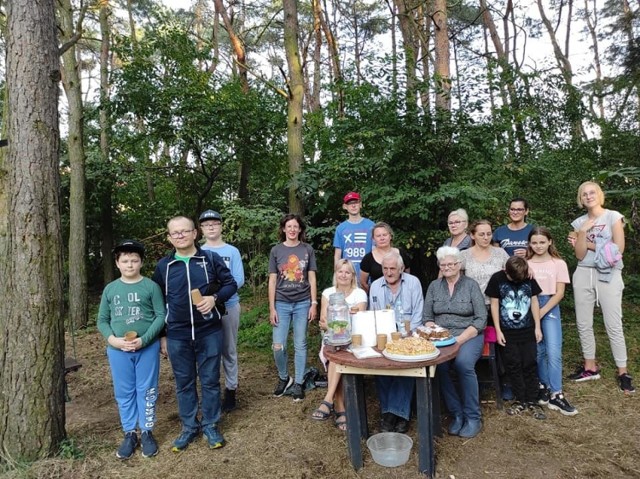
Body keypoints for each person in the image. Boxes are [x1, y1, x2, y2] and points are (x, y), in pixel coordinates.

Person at [152, 216, 238, 451]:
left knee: (210, 381)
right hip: (177, 334)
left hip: (209, 331)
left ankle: (210, 424)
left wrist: (214, 298)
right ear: (169, 238)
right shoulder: (163, 267)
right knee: (184, 383)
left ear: (194, 234)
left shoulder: (210, 258)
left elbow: (230, 284)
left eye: (184, 231)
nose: (180, 236)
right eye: (175, 233)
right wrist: (162, 336)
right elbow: (157, 305)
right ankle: (189, 426)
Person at [97, 240, 166, 460]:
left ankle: (146, 430)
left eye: (134, 260)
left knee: (146, 389)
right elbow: (102, 319)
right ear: (117, 263)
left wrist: (145, 340)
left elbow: (160, 315)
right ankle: (130, 433)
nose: (130, 265)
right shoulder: (111, 289)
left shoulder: (150, 287)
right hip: (118, 351)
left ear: (141, 262)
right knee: (124, 391)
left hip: (146, 348)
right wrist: (113, 340)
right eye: (125, 260)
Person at [567, 181, 634, 394]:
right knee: (583, 323)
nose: (588, 196)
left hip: (609, 273)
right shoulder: (579, 222)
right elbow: (579, 255)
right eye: (584, 194)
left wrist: (585, 240)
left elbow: (618, 249)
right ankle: (590, 367)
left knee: (613, 324)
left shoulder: (613, 216)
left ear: (599, 195)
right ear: (580, 199)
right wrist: (583, 232)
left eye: (592, 192)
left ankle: (623, 372)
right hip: (584, 273)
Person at [423, 246, 487, 438]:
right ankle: (456, 413)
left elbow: (481, 318)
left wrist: (460, 339)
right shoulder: (434, 286)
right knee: (439, 367)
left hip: (468, 334)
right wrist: (437, 333)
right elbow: (427, 317)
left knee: (463, 364)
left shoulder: (471, 285)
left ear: (459, 264)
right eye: (443, 264)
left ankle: (473, 417)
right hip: (442, 337)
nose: (447, 267)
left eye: (451, 263)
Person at [369, 251, 424, 433]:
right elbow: (373, 315)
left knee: (406, 367)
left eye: (393, 268)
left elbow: (418, 315)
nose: (389, 272)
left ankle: (394, 414)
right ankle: (394, 413)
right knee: (381, 366)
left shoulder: (413, 282)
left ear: (401, 269)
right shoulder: (376, 286)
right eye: (385, 268)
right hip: (384, 337)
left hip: (409, 336)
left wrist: (405, 337)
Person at [485, 256, 545, 419]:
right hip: (507, 331)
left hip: (528, 330)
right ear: (506, 271)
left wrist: (538, 327)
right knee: (513, 364)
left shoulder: (528, 276)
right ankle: (520, 399)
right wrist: (498, 330)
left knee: (530, 363)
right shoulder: (497, 278)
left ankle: (532, 400)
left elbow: (534, 302)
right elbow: (494, 304)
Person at [526, 227, 577, 415]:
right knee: (538, 350)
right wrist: (534, 313)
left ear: (549, 242)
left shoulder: (558, 263)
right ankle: (544, 386)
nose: (538, 246)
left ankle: (557, 394)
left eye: (542, 242)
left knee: (554, 350)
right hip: (531, 305)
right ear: (530, 244)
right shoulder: (526, 263)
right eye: (534, 242)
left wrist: (543, 311)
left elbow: (560, 292)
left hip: (550, 304)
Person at [199, 209, 245, 413]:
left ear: (221, 226)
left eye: (215, 223)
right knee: (209, 351)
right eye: (206, 224)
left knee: (229, 349)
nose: (211, 226)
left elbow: (238, 279)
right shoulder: (197, 251)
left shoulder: (232, 251)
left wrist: (217, 294)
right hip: (203, 309)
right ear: (200, 229)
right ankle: (211, 391)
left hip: (228, 306)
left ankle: (231, 390)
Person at [459, 220, 512, 401]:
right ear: (472, 235)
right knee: (476, 344)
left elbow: (512, 274)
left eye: (489, 233)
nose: (486, 237)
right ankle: (479, 381)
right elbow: (452, 278)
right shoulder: (464, 255)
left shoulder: (500, 253)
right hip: (473, 308)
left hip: (498, 305)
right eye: (481, 234)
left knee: (503, 343)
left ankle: (505, 381)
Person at [312, 259, 367, 430]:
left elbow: (359, 320)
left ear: (352, 276)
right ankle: (339, 407)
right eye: (340, 271)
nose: (343, 275)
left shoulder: (360, 294)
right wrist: (342, 320)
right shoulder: (328, 293)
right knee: (336, 352)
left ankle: (330, 401)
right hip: (332, 339)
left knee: (338, 355)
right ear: (336, 274)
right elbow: (323, 322)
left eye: (347, 272)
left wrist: (336, 323)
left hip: (355, 339)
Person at [269, 213, 318, 402]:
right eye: (288, 226)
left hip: (303, 302)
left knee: (300, 344)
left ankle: (298, 382)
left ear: (300, 229)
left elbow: (311, 277)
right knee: (278, 346)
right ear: (283, 229)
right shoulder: (276, 251)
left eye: (295, 226)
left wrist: (314, 303)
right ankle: (284, 377)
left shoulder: (307, 249)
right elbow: (272, 281)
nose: (292, 230)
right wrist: (272, 307)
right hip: (281, 303)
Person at [333, 191, 375, 283]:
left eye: (355, 202)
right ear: (345, 206)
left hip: (367, 274)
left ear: (360, 204)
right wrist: (337, 275)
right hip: (347, 275)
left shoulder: (371, 226)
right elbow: (337, 255)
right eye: (350, 203)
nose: (353, 206)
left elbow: (376, 252)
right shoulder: (340, 228)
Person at [359, 222, 410, 294]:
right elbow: (363, 283)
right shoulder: (368, 258)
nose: (382, 238)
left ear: (390, 236)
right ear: (373, 239)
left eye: (385, 235)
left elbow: (408, 276)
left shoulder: (401, 254)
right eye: (378, 236)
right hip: (378, 297)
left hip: (402, 294)